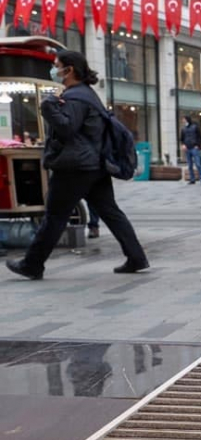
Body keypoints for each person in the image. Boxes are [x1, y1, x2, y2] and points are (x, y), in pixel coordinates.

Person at [6, 50, 149, 280]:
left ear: (69, 69)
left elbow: (67, 128)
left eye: (56, 65)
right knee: (111, 212)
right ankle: (136, 257)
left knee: (55, 216)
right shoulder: (87, 94)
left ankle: (32, 264)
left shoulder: (75, 98)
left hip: (75, 167)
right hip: (94, 165)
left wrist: (48, 106)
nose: (54, 70)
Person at [180, 115, 201, 185]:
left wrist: (198, 145)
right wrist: (183, 145)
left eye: (184, 119)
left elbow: (200, 137)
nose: (183, 121)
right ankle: (192, 179)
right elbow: (182, 139)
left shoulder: (195, 127)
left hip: (194, 148)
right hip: (187, 149)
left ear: (187, 120)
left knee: (198, 164)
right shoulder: (183, 129)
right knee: (190, 165)